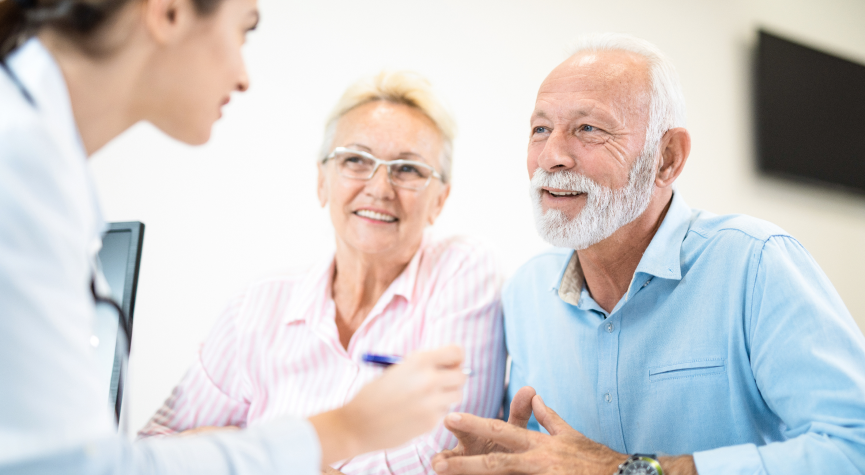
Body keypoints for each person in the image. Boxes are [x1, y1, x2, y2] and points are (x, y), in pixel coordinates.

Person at [0, 1, 469, 473]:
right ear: (170, 13)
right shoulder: (19, 167)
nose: (245, 76)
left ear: (440, 198)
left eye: (408, 169)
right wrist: (343, 431)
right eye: (244, 30)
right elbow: (72, 468)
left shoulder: (44, 168)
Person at [430, 33, 865, 475]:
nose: (552, 155)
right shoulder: (526, 293)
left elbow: (854, 447)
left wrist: (626, 470)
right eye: (540, 129)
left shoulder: (755, 263)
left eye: (588, 129)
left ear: (667, 159)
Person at [136, 71, 507, 475]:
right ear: (321, 182)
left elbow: (436, 463)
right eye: (356, 160)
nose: (380, 188)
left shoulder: (464, 270)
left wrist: (244, 453)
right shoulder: (257, 305)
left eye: (407, 169)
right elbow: (152, 452)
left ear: (440, 200)